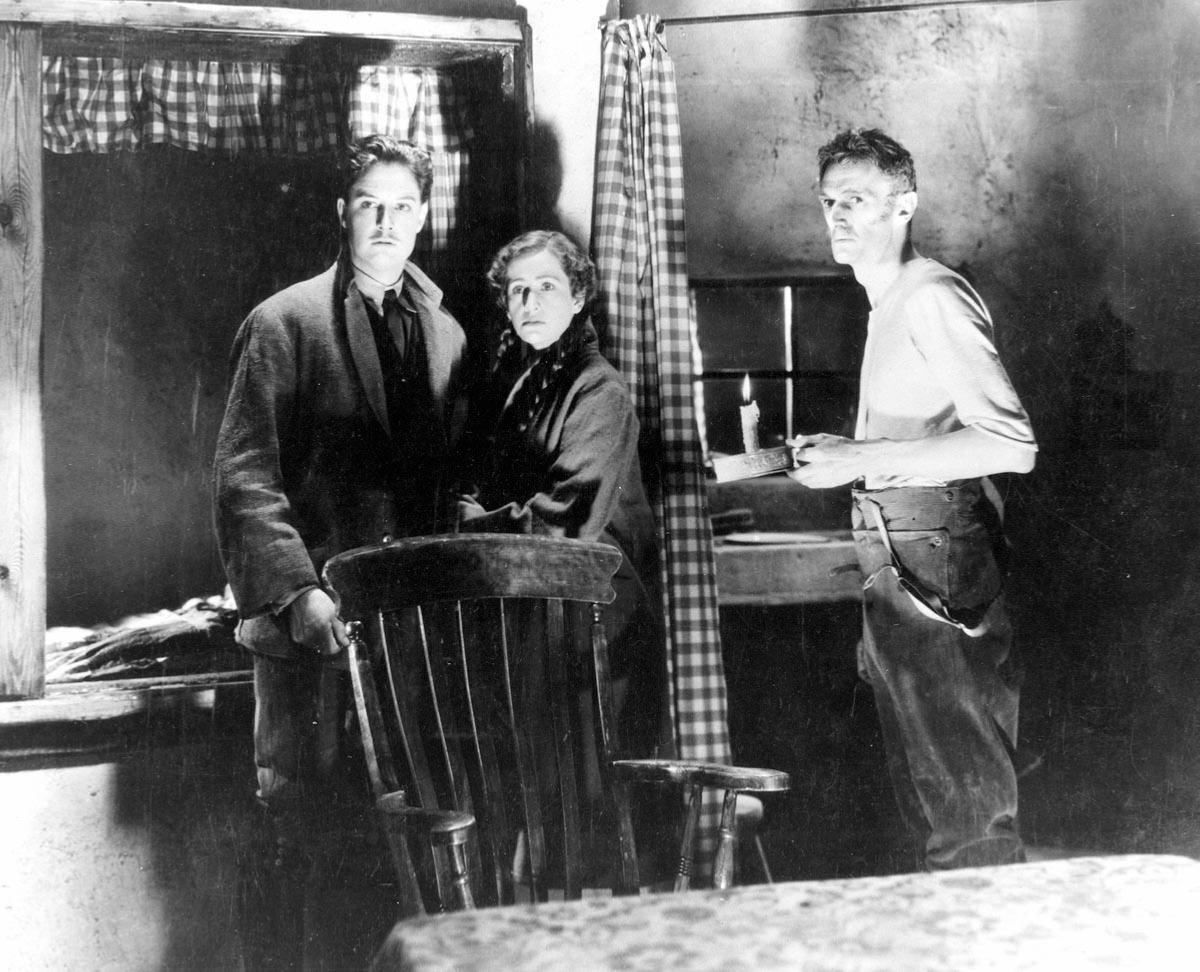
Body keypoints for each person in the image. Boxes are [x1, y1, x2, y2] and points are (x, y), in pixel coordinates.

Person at [213, 134, 468, 968]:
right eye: (369, 204)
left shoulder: (445, 334)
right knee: (302, 838)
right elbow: (245, 481)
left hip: (407, 645)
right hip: (309, 637)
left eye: (402, 206)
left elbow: (451, 484)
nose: (386, 222)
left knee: (398, 843)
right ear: (342, 213)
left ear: (423, 217)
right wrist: (298, 593)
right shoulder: (284, 323)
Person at [788, 128, 1037, 871]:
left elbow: (1012, 444)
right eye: (830, 201)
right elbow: (919, 434)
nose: (838, 215)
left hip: (936, 549)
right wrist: (843, 456)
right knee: (931, 807)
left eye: (857, 200)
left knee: (965, 815)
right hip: (898, 550)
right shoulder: (888, 301)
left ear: (905, 206)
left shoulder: (931, 294)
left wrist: (861, 458)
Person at [457, 229, 666, 772]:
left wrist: (471, 525)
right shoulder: (525, 378)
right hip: (538, 607)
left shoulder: (599, 389)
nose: (530, 301)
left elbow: (568, 521)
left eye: (547, 286)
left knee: (583, 784)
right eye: (518, 289)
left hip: (594, 619)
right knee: (533, 776)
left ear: (578, 298)